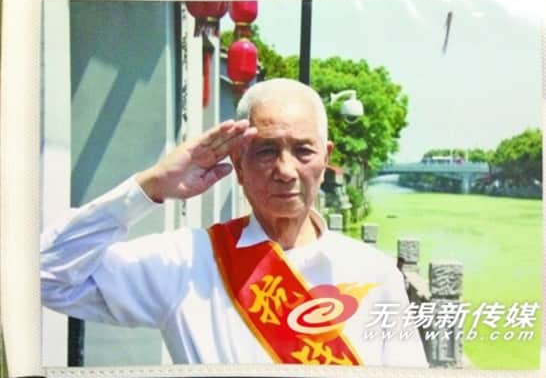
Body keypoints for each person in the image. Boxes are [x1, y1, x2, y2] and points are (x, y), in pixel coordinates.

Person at [41, 78, 427, 367]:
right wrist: (151, 185)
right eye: (266, 151)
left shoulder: (374, 273)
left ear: (325, 159)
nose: (286, 170)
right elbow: (44, 275)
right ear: (238, 164)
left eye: (303, 151)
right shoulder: (188, 262)